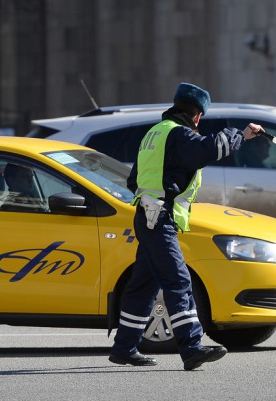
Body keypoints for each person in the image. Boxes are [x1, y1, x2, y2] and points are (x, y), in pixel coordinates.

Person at [109, 82, 264, 370]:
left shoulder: (153, 134)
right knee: (178, 280)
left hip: (148, 216)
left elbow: (134, 180)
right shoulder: (179, 135)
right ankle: (191, 347)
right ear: (197, 116)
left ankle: (124, 348)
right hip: (160, 218)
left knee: (144, 284)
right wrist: (241, 134)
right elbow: (208, 149)